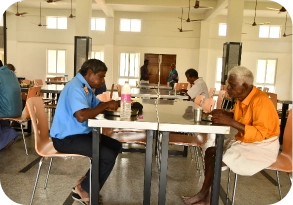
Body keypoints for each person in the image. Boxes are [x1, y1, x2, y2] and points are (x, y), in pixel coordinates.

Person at [182, 66, 280, 205]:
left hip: (262, 146)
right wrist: (223, 113)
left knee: (217, 160)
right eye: (229, 84)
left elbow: (259, 134)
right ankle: (205, 194)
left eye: (232, 85)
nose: (228, 88)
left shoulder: (260, 101)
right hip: (248, 141)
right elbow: (238, 116)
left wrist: (229, 121)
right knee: (210, 151)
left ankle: (206, 196)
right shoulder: (243, 97)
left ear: (245, 85)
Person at [50, 59, 122, 205]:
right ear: (90, 73)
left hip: (80, 134)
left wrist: (112, 104)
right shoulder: (76, 87)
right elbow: (81, 115)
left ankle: (86, 184)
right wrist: (107, 104)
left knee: (115, 146)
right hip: (66, 138)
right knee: (106, 156)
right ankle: (84, 189)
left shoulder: (85, 87)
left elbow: (96, 106)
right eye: (101, 76)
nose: (103, 81)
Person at [0, 64, 22, 150]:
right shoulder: (12, 74)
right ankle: (9, 134)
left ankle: (4, 139)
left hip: (7, 111)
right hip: (18, 111)